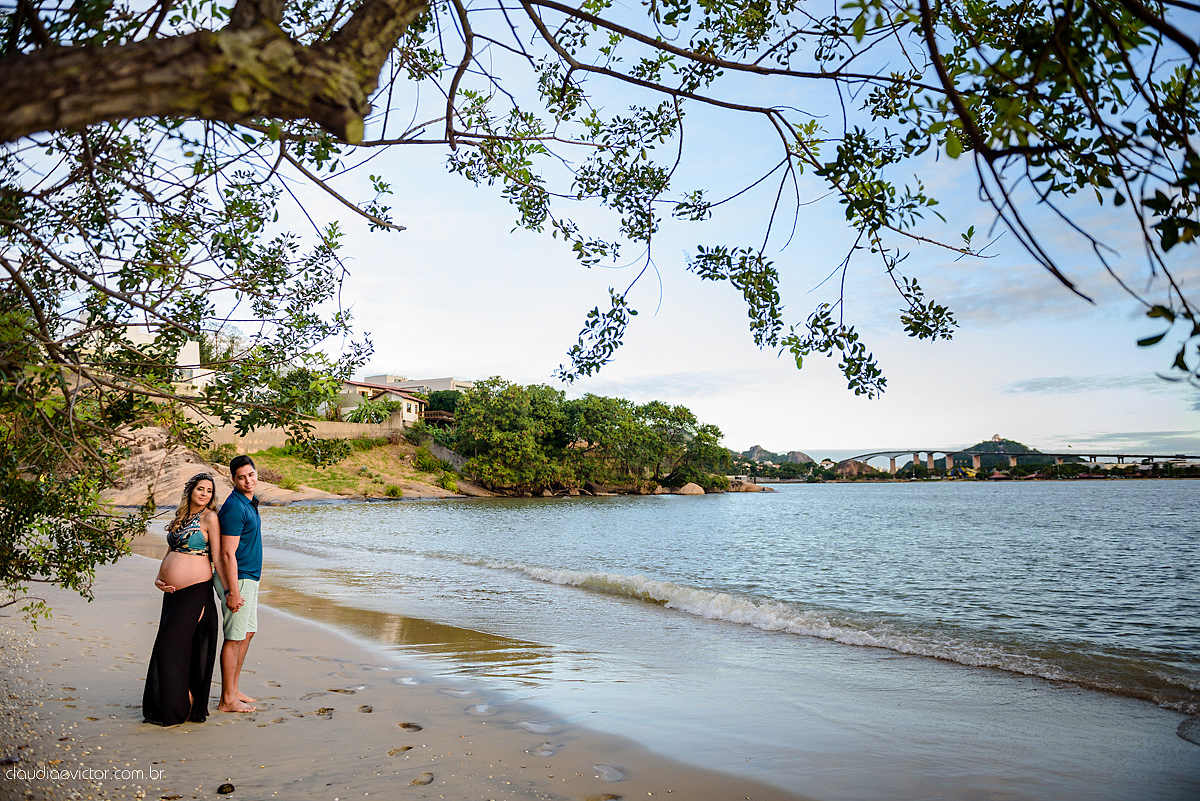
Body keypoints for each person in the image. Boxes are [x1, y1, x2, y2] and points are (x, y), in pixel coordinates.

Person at [143, 472, 220, 726]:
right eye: (200, 489)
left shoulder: (210, 518)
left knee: (171, 646)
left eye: (209, 491)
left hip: (195, 591)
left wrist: (230, 591)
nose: (204, 494)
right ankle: (171, 704)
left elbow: (218, 557)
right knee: (168, 646)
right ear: (191, 491)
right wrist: (159, 576)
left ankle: (184, 704)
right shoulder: (181, 518)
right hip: (172, 594)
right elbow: (171, 550)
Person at [213, 454, 262, 713]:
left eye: (251, 475)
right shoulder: (235, 507)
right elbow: (226, 553)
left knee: (247, 633)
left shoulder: (249, 502)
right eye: (241, 477)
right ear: (233, 479)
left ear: (256, 473)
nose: (248, 481)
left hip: (248, 578)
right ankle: (226, 700)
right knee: (234, 638)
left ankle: (233, 689)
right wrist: (232, 591)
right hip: (238, 579)